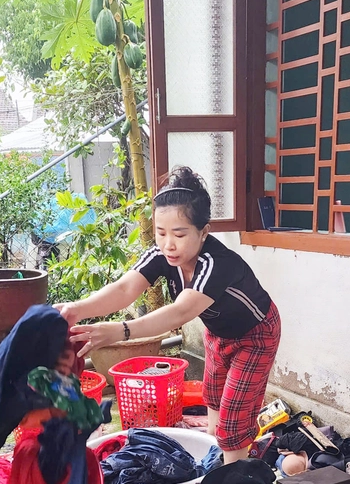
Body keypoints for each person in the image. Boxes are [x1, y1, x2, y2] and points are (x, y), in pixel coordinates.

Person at [58, 167, 282, 464]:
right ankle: (220, 463)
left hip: (257, 335)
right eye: (161, 233)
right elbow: (126, 288)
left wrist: (118, 331)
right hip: (218, 332)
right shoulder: (163, 256)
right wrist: (78, 308)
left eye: (179, 234)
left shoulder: (217, 263)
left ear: (204, 232)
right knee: (213, 402)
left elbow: (180, 311)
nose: (168, 244)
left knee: (233, 423)